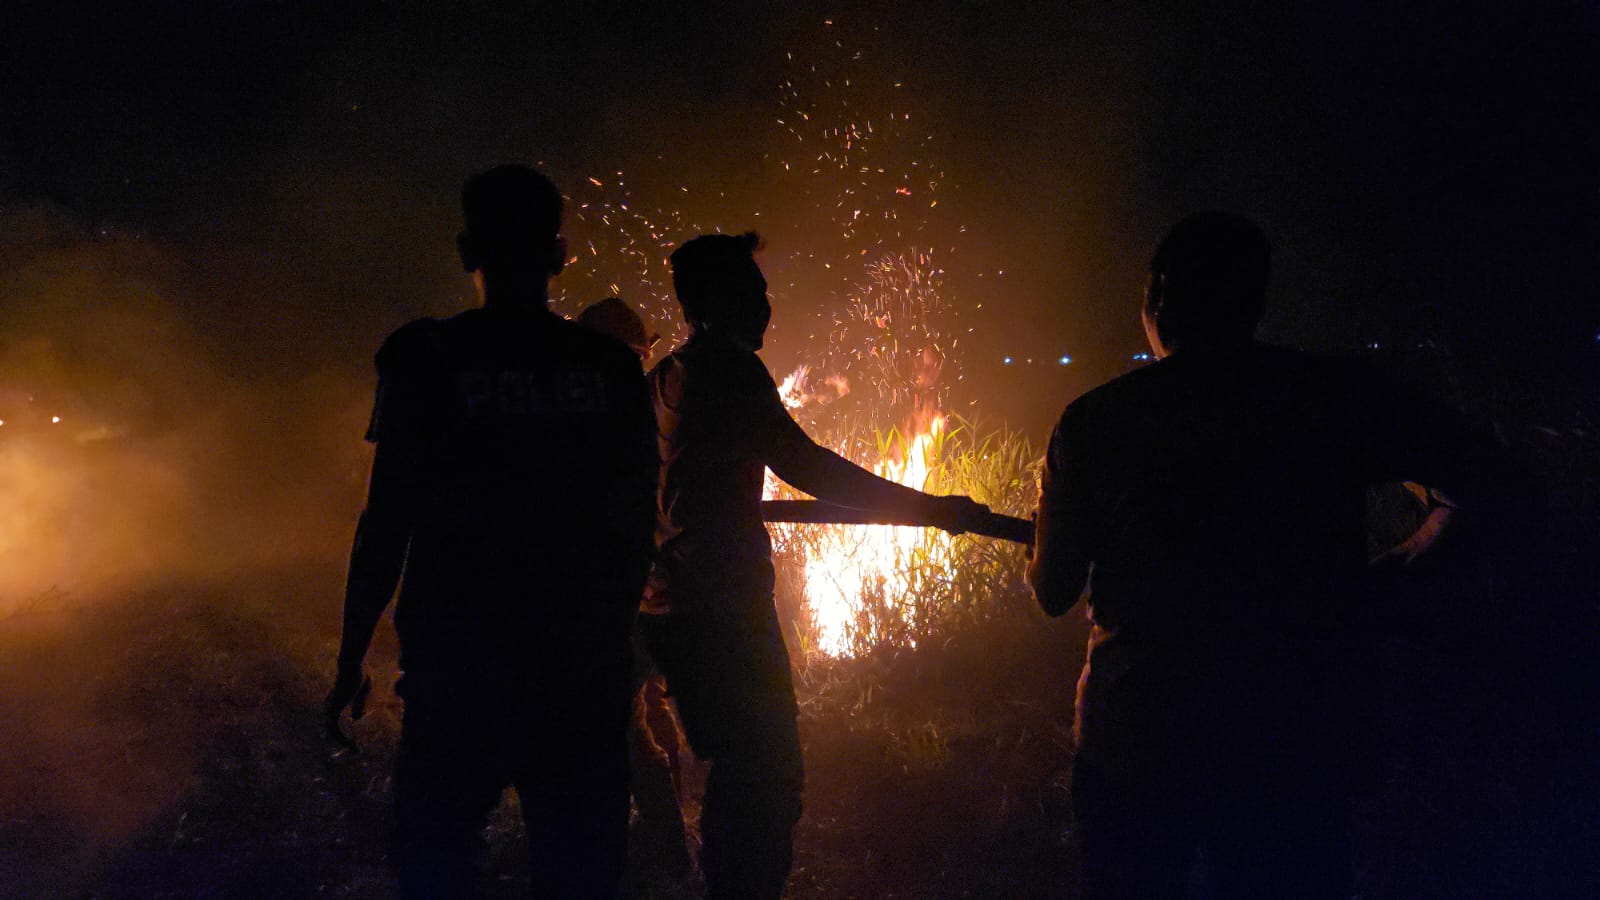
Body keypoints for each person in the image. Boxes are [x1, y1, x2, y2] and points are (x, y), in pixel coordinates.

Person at [1027, 211, 1512, 899]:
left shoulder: (1098, 421)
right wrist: (1402, 567)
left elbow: (1052, 591)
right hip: (1298, 742)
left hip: (1140, 744)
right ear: (1256, 299)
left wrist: (1055, 516)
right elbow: (1488, 483)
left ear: (1157, 296)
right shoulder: (1333, 399)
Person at [324, 165, 657, 899]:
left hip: (457, 669)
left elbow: (387, 520)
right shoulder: (608, 370)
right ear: (560, 254)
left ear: (466, 249)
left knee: (435, 867)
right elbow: (637, 523)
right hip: (575, 675)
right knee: (580, 875)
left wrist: (351, 656)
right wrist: (613, 644)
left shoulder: (422, 360)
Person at [642, 232, 988, 900]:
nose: (766, 305)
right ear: (714, 301)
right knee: (765, 776)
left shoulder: (664, 376)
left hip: (672, 601)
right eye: (753, 291)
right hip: (722, 610)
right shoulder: (729, 371)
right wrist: (929, 508)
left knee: (742, 769)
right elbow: (808, 466)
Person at [574, 295, 694, 886]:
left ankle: (671, 847)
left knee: (624, 724)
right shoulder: (630, 398)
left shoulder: (619, 403)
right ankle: (665, 836)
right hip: (640, 581)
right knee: (640, 708)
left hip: (633, 584)